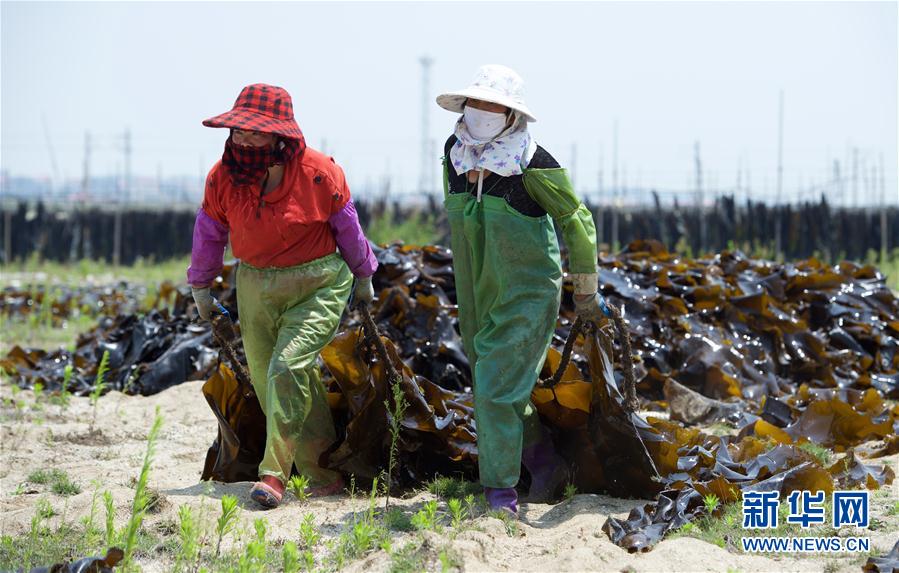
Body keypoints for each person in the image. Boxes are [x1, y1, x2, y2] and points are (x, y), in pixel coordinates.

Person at [188, 83, 378, 509]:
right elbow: (210, 232)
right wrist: (201, 286)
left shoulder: (319, 172)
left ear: (280, 136)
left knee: (287, 366)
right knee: (272, 379)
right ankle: (323, 473)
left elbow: (348, 228)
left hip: (319, 281)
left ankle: (274, 475)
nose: (242, 139)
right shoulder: (222, 177)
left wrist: (364, 275)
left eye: (254, 133)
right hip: (255, 283)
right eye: (237, 130)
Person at [436, 65, 611, 517]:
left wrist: (586, 292)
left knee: (495, 386)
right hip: (477, 291)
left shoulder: (532, 163)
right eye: (477, 103)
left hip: (528, 291)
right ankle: (545, 463)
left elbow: (577, 220)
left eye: (494, 106)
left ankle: (500, 493)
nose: (483, 112)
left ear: (512, 115)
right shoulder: (453, 157)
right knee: (495, 385)